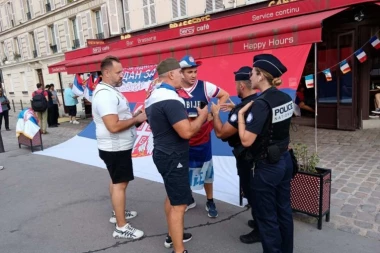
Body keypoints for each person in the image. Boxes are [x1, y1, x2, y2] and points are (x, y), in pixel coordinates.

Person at [145, 58, 208, 253]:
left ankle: (174, 235)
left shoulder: (155, 95)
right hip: (173, 156)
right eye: (181, 72)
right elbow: (186, 132)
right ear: (172, 74)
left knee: (172, 197)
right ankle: (178, 250)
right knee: (179, 204)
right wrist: (203, 117)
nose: (183, 75)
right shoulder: (170, 99)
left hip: (165, 154)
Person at [237, 54, 294, 253]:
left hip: (268, 167)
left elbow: (246, 140)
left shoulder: (261, 104)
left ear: (261, 76)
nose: (249, 77)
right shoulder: (285, 96)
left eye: (252, 73)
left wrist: (242, 116)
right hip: (285, 161)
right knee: (284, 211)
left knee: (267, 218)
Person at [92, 56, 146, 239]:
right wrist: (137, 119)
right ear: (106, 73)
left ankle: (118, 213)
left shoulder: (109, 90)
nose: (123, 75)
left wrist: (135, 116)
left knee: (116, 181)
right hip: (115, 147)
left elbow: (119, 119)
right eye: (119, 72)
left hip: (117, 146)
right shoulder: (106, 94)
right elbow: (113, 126)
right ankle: (121, 226)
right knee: (120, 184)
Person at [210, 66, 260, 244]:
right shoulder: (259, 100)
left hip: (248, 157)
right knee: (258, 191)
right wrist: (235, 107)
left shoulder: (240, 110)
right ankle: (260, 221)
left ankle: (260, 230)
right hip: (259, 156)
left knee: (252, 191)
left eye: (236, 84)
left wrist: (216, 114)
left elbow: (222, 133)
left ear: (242, 86)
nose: (235, 87)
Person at [178, 55, 229, 218]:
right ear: (181, 73)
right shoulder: (174, 89)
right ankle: (188, 198)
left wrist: (214, 113)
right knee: (184, 171)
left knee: (207, 171)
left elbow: (225, 94)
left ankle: (210, 200)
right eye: (190, 72)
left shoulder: (205, 87)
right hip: (183, 139)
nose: (193, 75)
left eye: (195, 71)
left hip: (203, 139)